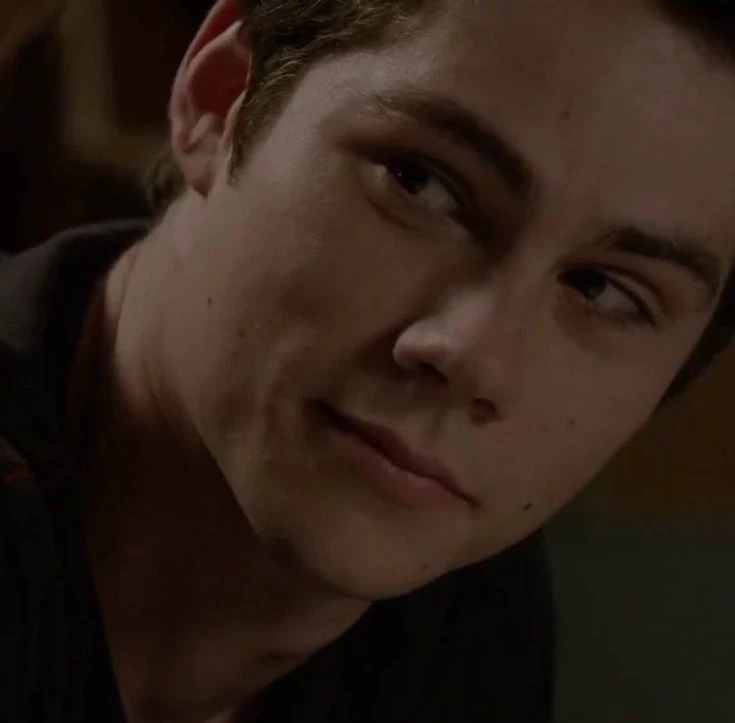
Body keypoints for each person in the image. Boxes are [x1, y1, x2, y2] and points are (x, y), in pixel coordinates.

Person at [1, 0, 734, 721]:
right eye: (421, 183)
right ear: (221, 98)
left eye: (604, 292)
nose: (475, 357)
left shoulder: (460, 601)